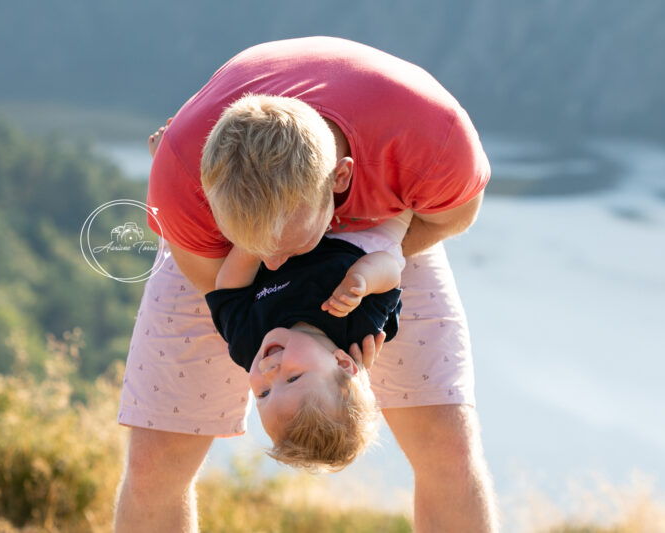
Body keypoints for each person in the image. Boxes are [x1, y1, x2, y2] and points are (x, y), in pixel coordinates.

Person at [115, 37, 498, 532]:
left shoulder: (430, 134)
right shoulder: (182, 175)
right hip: (226, 259)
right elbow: (219, 287)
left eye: (287, 244)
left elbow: (455, 214)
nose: (276, 261)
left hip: (375, 227)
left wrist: (372, 261)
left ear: (341, 181)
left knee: (447, 446)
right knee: (154, 466)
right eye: (257, 238)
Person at [206, 211, 412, 472]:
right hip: (360, 231)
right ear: (343, 363)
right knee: (395, 228)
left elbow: (228, 291)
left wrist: (256, 242)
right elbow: (391, 271)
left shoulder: (248, 343)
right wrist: (363, 279)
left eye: (263, 393)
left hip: (289, 231)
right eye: (293, 379)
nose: (269, 372)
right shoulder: (357, 329)